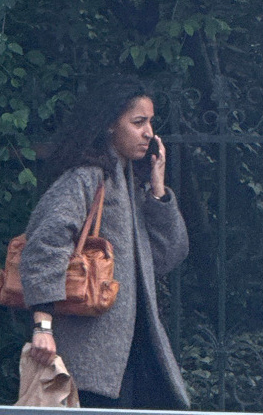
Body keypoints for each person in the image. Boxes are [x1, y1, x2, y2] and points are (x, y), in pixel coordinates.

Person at [18, 79, 190, 410]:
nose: (149, 133)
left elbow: (167, 256)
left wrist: (158, 190)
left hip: (132, 353)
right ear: (110, 124)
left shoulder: (130, 181)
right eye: (138, 122)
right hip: (91, 356)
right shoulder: (87, 177)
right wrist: (43, 325)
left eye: (150, 122)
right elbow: (44, 244)